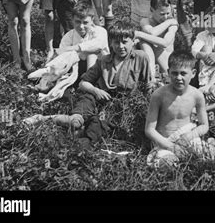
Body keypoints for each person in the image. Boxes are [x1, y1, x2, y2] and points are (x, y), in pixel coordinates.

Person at [24, 21, 153, 149]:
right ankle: (42, 118)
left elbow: (148, 85)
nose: (120, 46)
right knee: (76, 121)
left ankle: (72, 147)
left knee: (95, 129)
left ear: (133, 41)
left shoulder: (141, 58)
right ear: (110, 43)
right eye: (116, 42)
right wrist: (96, 91)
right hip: (93, 97)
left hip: (117, 105)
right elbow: (83, 83)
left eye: (125, 42)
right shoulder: (104, 60)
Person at [145, 51, 213, 168]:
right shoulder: (159, 95)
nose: (179, 78)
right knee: (169, 164)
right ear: (168, 73)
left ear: (193, 73)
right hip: (165, 141)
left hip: (187, 137)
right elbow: (149, 130)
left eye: (183, 73)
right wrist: (171, 147)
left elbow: (204, 125)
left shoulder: (197, 95)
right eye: (174, 73)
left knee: (209, 154)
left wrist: (188, 137)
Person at [135, 0, 178, 79]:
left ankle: (152, 77)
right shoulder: (145, 21)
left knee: (144, 40)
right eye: (162, 14)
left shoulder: (172, 24)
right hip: (151, 61)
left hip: (167, 64)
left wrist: (139, 34)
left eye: (168, 13)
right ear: (152, 10)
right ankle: (152, 76)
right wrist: (168, 22)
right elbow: (152, 32)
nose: (165, 17)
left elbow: (165, 43)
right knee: (144, 42)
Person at [58, 2, 109, 72]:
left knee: (91, 55)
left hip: (101, 69)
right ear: (72, 20)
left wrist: (74, 48)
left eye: (85, 23)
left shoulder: (100, 31)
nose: (81, 27)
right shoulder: (68, 36)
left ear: (92, 19)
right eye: (78, 22)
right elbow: (62, 55)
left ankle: (89, 81)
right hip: (77, 69)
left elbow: (98, 46)